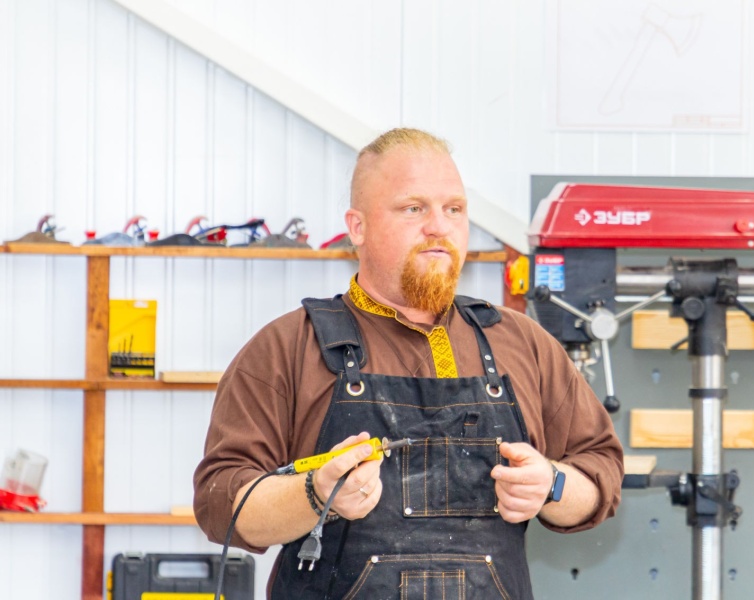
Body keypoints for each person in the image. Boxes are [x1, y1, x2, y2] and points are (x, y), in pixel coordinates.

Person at [193, 127, 624, 599]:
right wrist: (314, 493)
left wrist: (552, 485)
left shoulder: (523, 343)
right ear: (357, 227)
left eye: (454, 209)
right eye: (413, 208)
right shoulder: (287, 348)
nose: (439, 226)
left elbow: (600, 471)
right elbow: (221, 503)